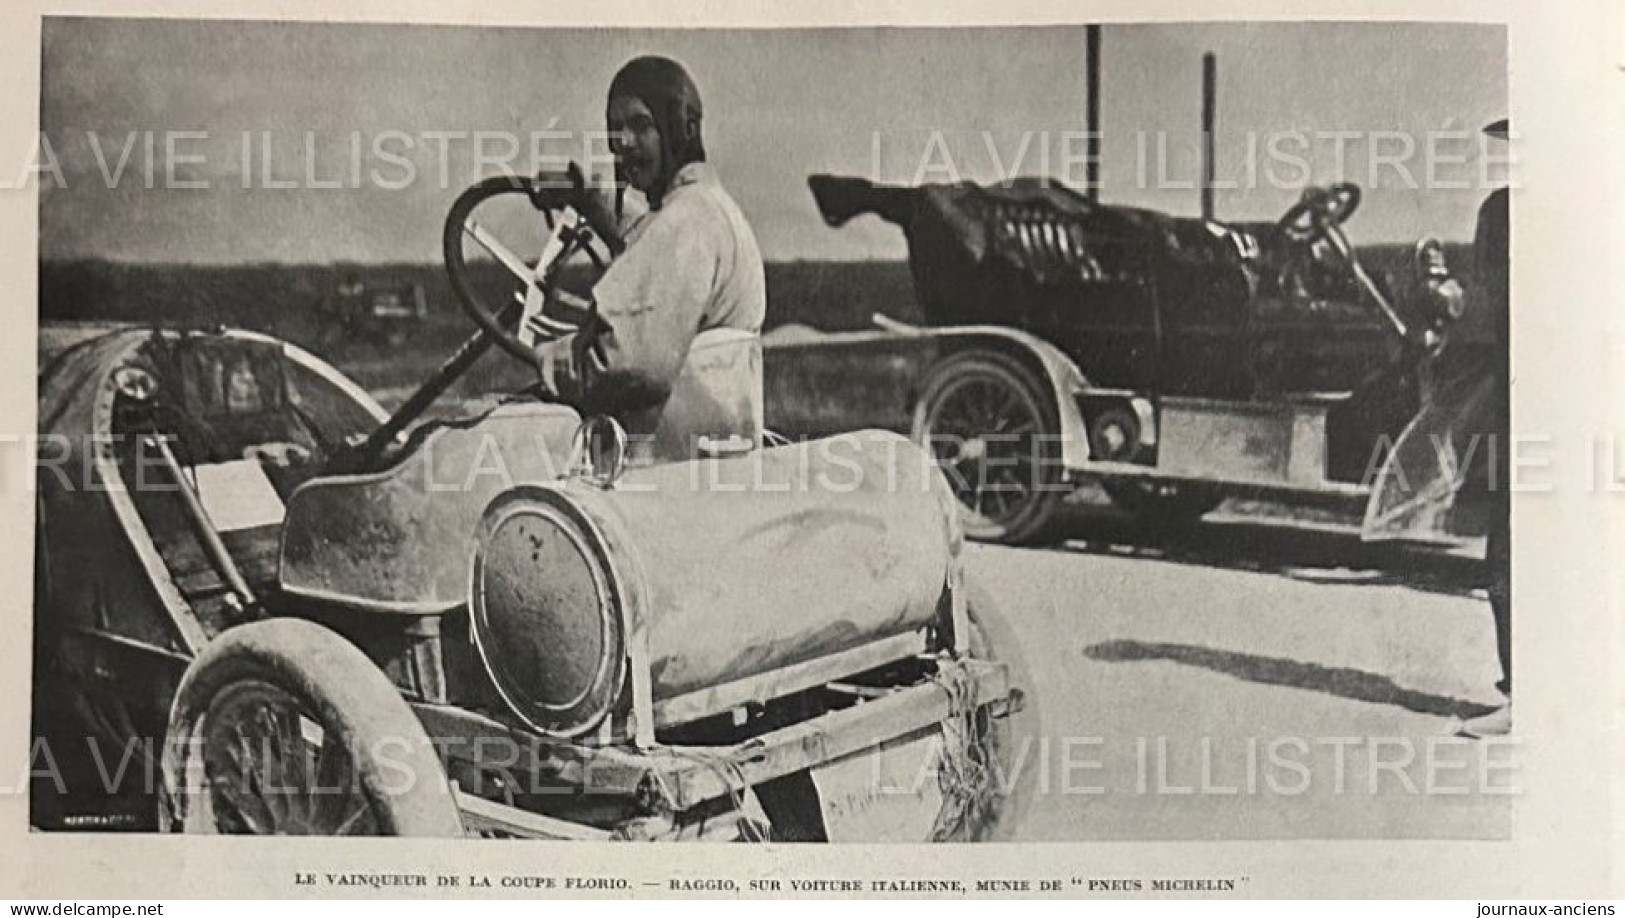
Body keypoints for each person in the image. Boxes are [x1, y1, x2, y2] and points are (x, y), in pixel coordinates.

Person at [530, 55, 767, 465]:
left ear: (683, 128)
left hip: (657, 474)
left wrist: (544, 357)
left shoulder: (685, 223)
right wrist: (598, 209)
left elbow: (628, 365)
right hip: (714, 460)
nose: (625, 144)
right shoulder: (709, 210)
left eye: (641, 125)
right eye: (615, 131)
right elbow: (656, 270)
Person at [1455, 118, 1511, 738]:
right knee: (1509, 555)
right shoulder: (1497, 214)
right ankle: (1522, 693)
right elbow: (1482, 309)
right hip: (1516, 395)